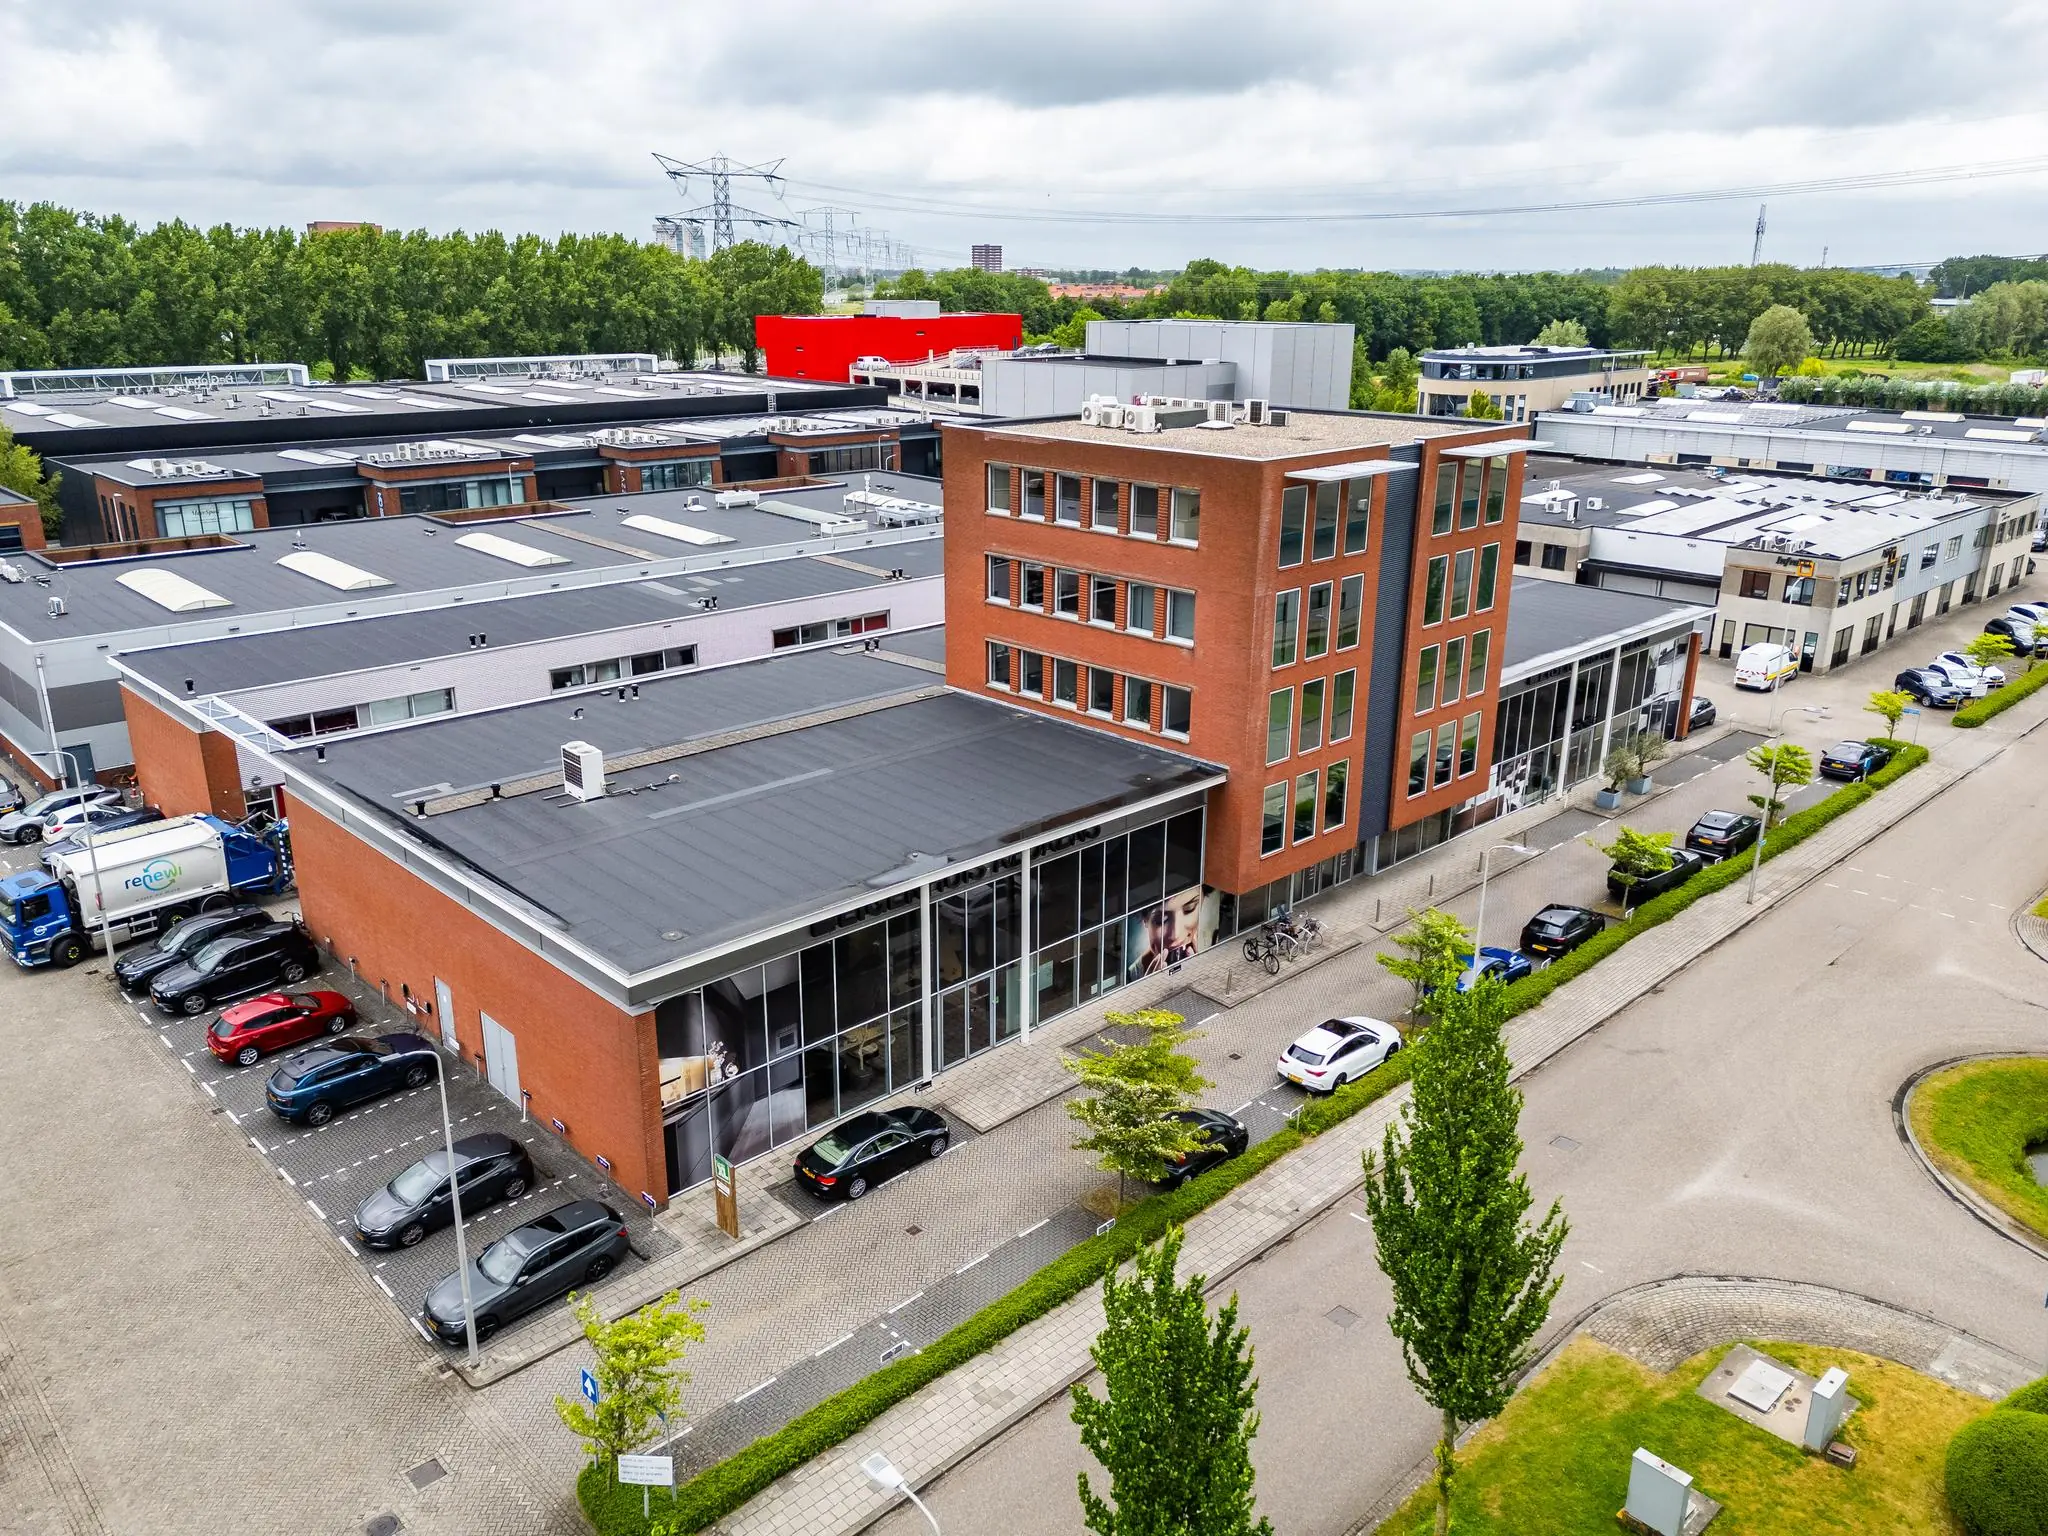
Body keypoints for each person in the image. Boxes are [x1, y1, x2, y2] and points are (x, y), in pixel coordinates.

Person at [1128, 886, 1204, 978]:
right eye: (1162, 920)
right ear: (1145, 921)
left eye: (1189, 909)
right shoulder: (1127, 977)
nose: (1176, 935)